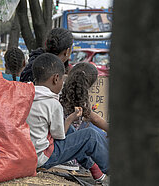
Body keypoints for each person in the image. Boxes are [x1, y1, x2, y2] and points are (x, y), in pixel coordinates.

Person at [26, 53, 109, 184]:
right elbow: (60, 136)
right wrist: (70, 119)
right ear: (56, 79)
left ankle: (95, 169)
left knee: (72, 130)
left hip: (27, 154)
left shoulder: (26, 95)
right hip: (42, 157)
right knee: (90, 136)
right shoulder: (52, 103)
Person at [60, 62, 109, 132]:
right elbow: (95, 119)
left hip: (63, 132)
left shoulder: (60, 89)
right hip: (66, 135)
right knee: (93, 132)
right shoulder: (80, 97)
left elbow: (94, 118)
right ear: (88, 85)